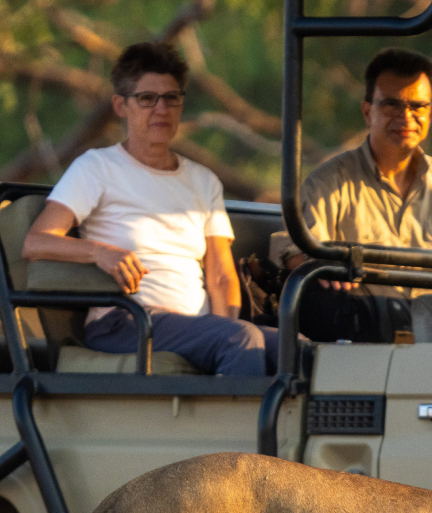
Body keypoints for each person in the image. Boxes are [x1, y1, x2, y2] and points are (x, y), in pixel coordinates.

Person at [22, 42, 279, 376]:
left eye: (172, 98)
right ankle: (232, 427)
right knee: (239, 339)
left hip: (193, 325)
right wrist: (101, 252)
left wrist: (220, 329)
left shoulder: (203, 180)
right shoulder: (97, 167)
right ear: (121, 106)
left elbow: (220, 274)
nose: (162, 109)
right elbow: (36, 242)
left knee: (299, 349)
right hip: (127, 320)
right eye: (147, 98)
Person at [270, 47, 432, 286]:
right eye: (392, 105)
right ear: (367, 112)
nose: (406, 116)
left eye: (418, 106)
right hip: (362, 320)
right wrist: (316, 262)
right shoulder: (328, 184)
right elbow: (292, 248)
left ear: (430, 114)